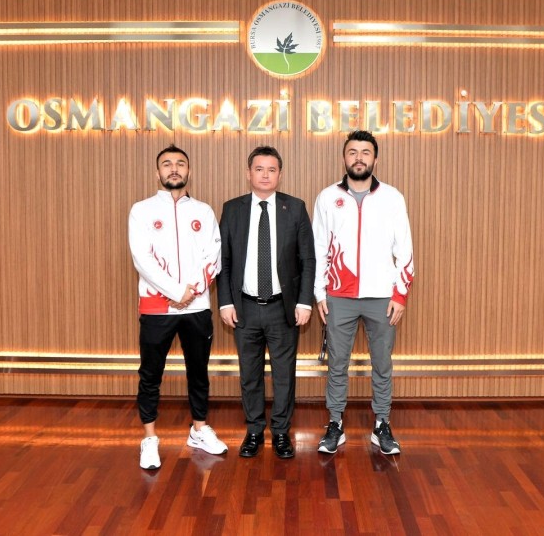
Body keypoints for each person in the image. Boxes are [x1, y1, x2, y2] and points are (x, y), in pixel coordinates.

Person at [312, 130, 414, 456]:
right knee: (337, 363)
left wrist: (400, 294)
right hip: (338, 295)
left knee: (382, 363)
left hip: (382, 297)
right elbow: (318, 248)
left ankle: (382, 423)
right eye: (353, 152)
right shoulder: (327, 197)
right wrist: (319, 292)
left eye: (365, 152)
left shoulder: (392, 198)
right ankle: (335, 423)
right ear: (344, 158)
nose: (359, 158)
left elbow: (405, 249)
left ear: (375, 159)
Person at [128, 144, 227, 470]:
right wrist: (175, 291)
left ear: (189, 171)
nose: (174, 169)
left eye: (180, 163)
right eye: (167, 164)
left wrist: (190, 292)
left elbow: (214, 255)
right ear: (157, 172)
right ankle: (150, 438)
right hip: (157, 307)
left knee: (198, 371)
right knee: (150, 374)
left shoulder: (203, 211)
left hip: (196, 307)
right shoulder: (141, 210)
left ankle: (199, 429)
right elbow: (142, 258)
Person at [218, 146, 316, 459]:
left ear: (279, 175)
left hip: (282, 308)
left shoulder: (295, 208)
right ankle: (254, 431)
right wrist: (225, 302)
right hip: (244, 307)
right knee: (250, 374)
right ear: (248, 173)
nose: (265, 175)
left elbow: (308, 259)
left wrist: (304, 302)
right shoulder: (232, 209)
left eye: (271, 170)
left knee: (284, 375)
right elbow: (224, 260)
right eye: (259, 169)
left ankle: (282, 433)